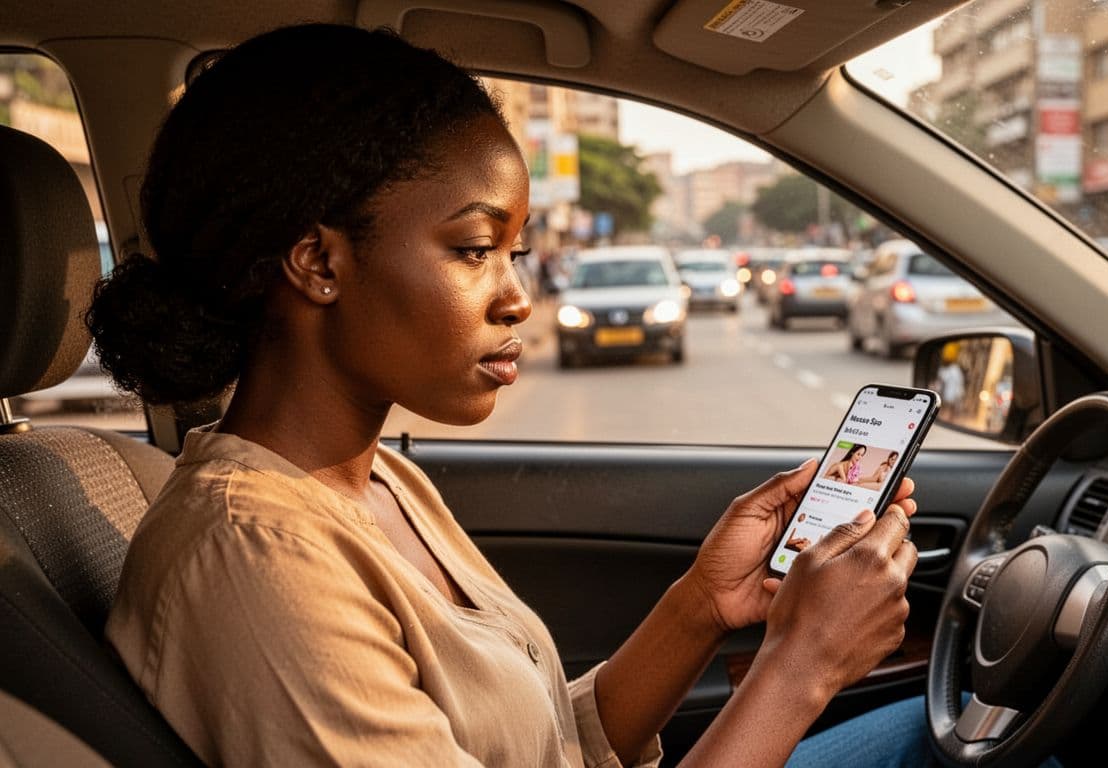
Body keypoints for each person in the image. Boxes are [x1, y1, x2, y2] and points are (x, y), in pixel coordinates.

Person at [88, 24, 930, 768]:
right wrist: (801, 666)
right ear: (318, 264)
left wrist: (703, 606)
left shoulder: (378, 481)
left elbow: (536, 745)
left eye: (515, 254)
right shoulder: (257, 562)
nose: (518, 298)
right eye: (474, 249)